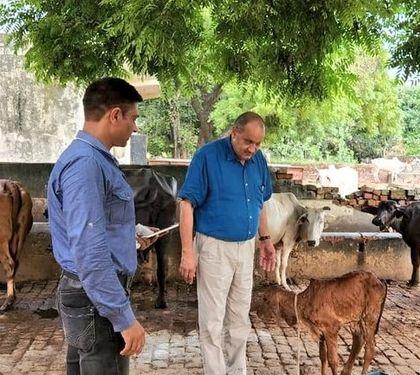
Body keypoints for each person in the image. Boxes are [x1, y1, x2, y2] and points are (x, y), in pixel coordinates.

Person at [47, 77, 159, 375]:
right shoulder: (85, 165)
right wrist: (124, 318)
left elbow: (94, 228)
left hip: (91, 294)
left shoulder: (93, 159)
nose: (135, 127)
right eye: (133, 118)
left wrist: (129, 235)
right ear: (115, 115)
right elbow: (89, 250)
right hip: (96, 299)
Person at [178, 111, 276, 375]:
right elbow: (186, 204)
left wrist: (265, 239)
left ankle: (237, 371)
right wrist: (188, 252)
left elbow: (260, 203)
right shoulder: (207, 157)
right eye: (247, 141)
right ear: (234, 132)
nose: (252, 149)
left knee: (240, 316)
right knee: (212, 320)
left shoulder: (258, 161)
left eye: (257, 144)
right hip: (213, 248)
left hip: (246, 247)